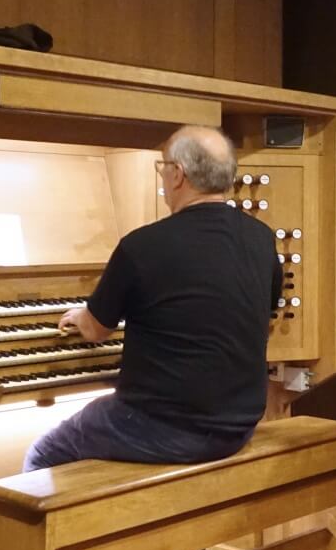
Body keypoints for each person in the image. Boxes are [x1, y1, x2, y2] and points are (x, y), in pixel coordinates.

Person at [23, 125, 282, 472]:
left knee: (43, 455)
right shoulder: (261, 239)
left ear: (178, 175)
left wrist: (80, 316)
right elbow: (262, 324)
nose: (162, 179)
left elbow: (97, 330)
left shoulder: (141, 246)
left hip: (159, 427)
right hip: (238, 423)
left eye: (163, 168)